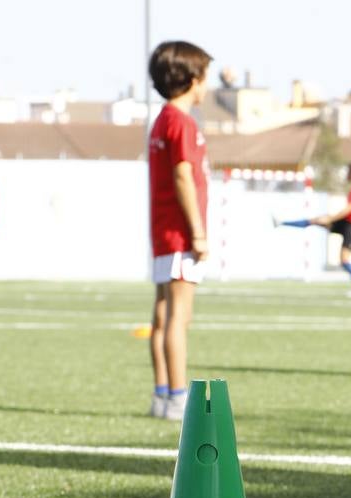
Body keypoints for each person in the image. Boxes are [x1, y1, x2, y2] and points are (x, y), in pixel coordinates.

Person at [146, 40, 212, 420]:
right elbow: (184, 175)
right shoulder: (182, 122)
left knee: (161, 314)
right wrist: (198, 233)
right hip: (179, 234)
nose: (206, 86)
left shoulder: (162, 119)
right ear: (190, 79)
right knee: (178, 318)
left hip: (163, 232)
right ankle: (177, 396)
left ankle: (160, 394)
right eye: (204, 77)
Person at [277, 163, 351, 296]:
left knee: (344, 258)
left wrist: (332, 218)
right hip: (348, 223)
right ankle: (282, 222)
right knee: (317, 221)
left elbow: (350, 208)